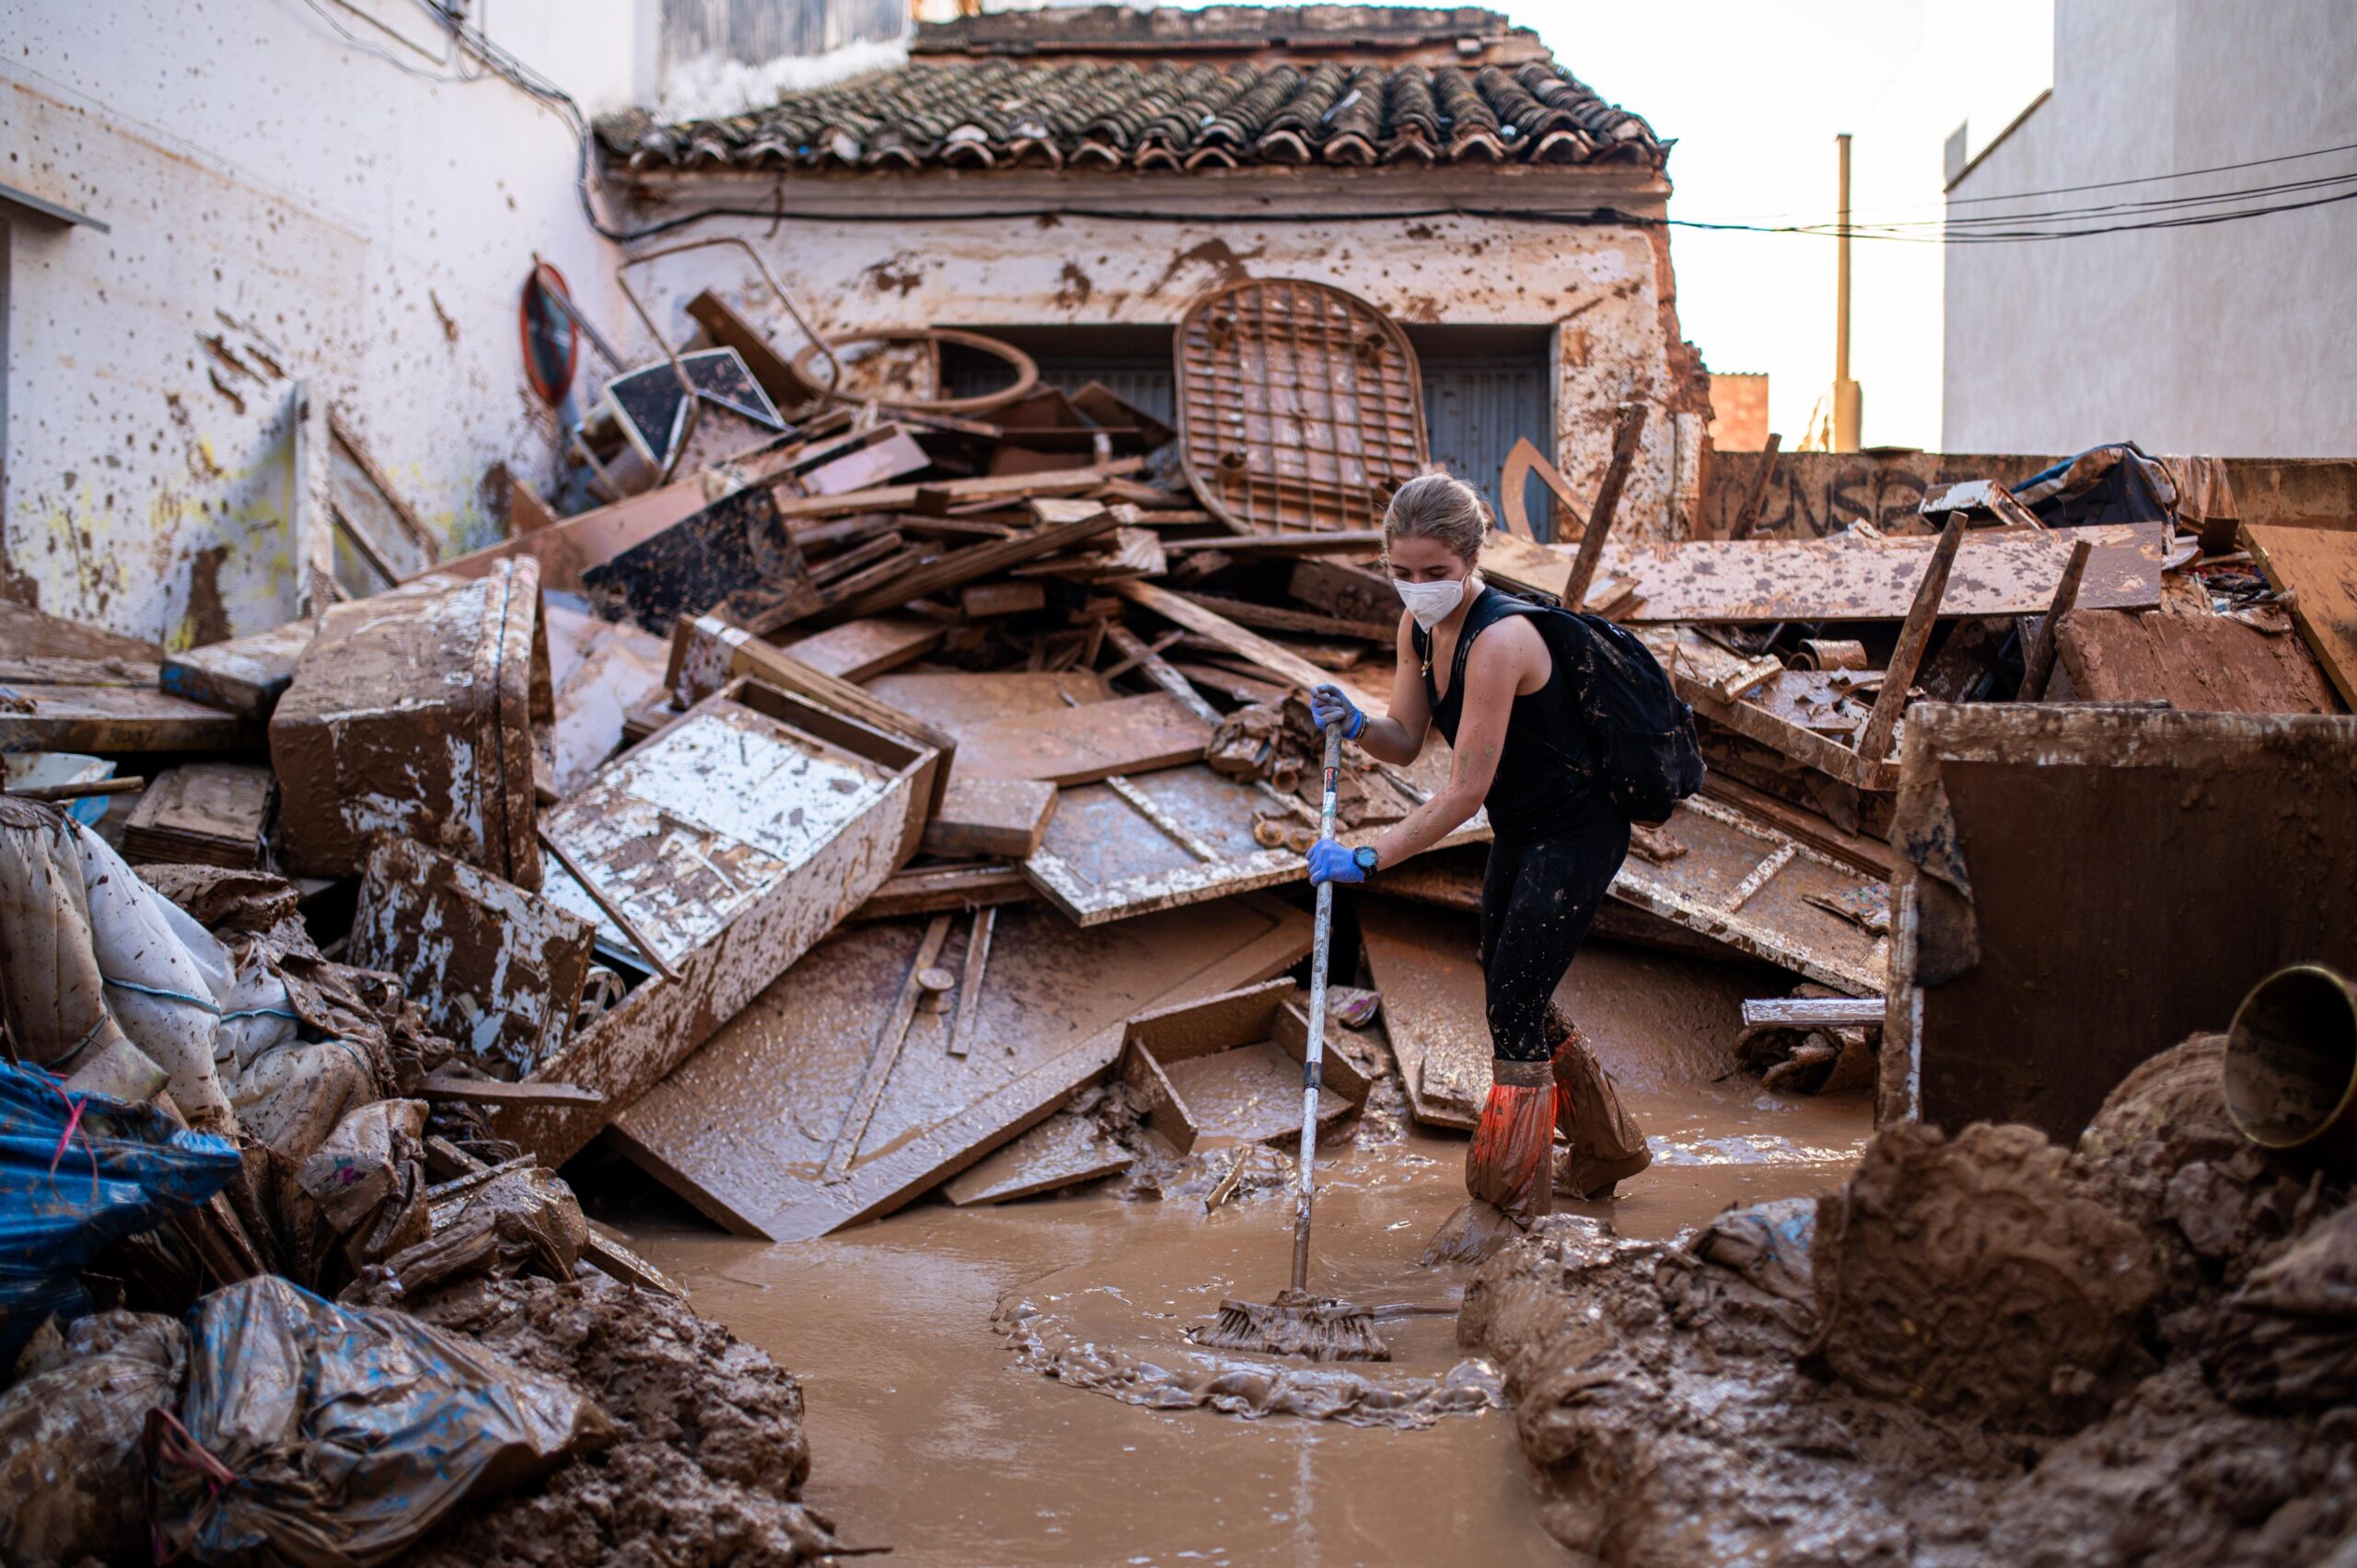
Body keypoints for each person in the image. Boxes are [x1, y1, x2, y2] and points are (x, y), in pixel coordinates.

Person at [1303, 470, 1650, 1262]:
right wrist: (1356, 721)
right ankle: (1609, 1147)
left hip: (1579, 830)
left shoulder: (1501, 640)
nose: (1418, 587)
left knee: (1514, 1005)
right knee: (1505, 972)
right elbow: (1406, 736)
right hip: (1525, 827)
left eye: (1434, 572)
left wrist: (1370, 853)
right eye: (1402, 571)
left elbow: (1463, 791)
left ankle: (1511, 1205)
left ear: (1470, 560)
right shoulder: (1419, 629)